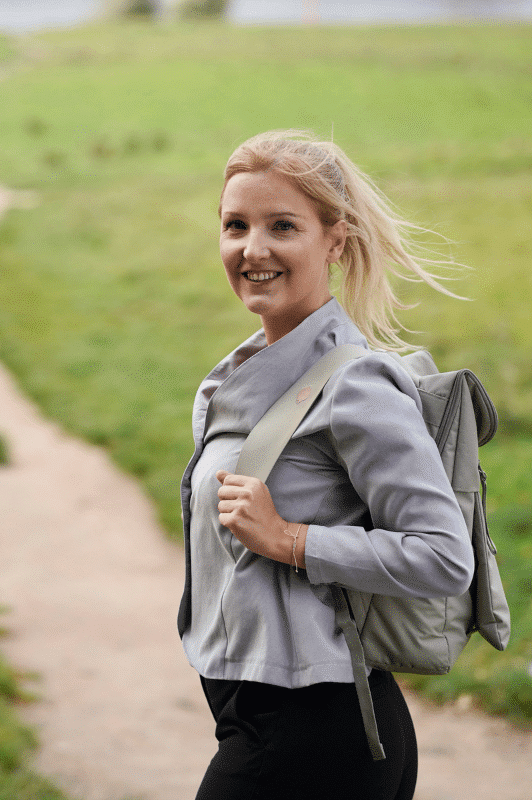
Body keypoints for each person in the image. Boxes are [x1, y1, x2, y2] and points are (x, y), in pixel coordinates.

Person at [177, 130, 475, 800]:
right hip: (265, 720)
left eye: (283, 225)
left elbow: (444, 557)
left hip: (320, 733)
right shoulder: (247, 369)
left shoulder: (355, 386)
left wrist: (289, 540)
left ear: (334, 240)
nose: (253, 249)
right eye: (236, 225)